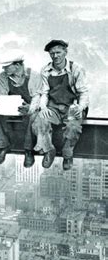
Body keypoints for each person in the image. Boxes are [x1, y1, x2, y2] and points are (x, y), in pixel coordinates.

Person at [32, 40, 89, 171]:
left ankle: (67, 154)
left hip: (72, 107)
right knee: (39, 120)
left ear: (65, 52)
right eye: (52, 53)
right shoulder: (46, 70)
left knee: (73, 126)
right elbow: (44, 92)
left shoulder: (76, 69)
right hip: (54, 107)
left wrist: (80, 108)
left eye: (58, 52)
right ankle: (48, 150)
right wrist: (43, 107)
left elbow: (83, 92)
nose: (55, 56)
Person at [0, 50, 42, 167]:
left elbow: (36, 96)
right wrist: (2, 105)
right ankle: (3, 146)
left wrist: (30, 108)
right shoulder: (3, 76)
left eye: (7, 67)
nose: (4, 69)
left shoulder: (33, 75)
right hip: (11, 106)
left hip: (29, 107)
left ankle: (28, 150)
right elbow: (2, 95)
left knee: (31, 118)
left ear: (18, 65)